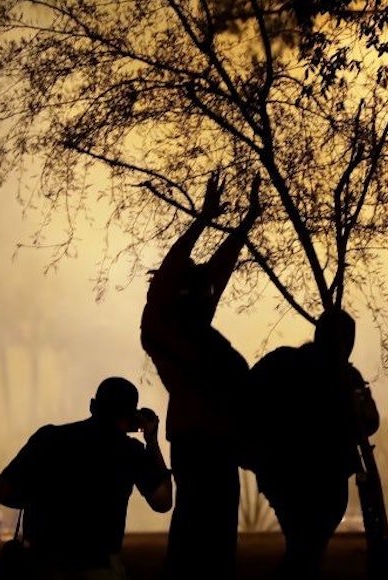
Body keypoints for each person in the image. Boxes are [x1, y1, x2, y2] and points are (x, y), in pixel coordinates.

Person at [140, 171, 259, 580]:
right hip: (197, 439)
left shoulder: (190, 327)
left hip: (218, 440)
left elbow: (217, 270)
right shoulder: (163, 327)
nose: (205, 288)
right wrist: (205, 219)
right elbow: (178, 270)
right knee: (195, 526)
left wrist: (246, 222)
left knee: (219, 528)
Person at [0, 377, 172, 580]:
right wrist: (152, 442)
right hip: (98, 568)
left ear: (92, 405)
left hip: (40, 566)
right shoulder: (130, 451)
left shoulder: (47, 438)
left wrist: (42, 498)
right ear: (131, 418)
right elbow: (163, 502)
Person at [243, 308, 379, 579]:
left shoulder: (282, 364)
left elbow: (369, 423)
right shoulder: (341, 376)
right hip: (306, 479)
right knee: (306, 549)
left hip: (288, 476)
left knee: (304, 548)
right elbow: (369, 424)